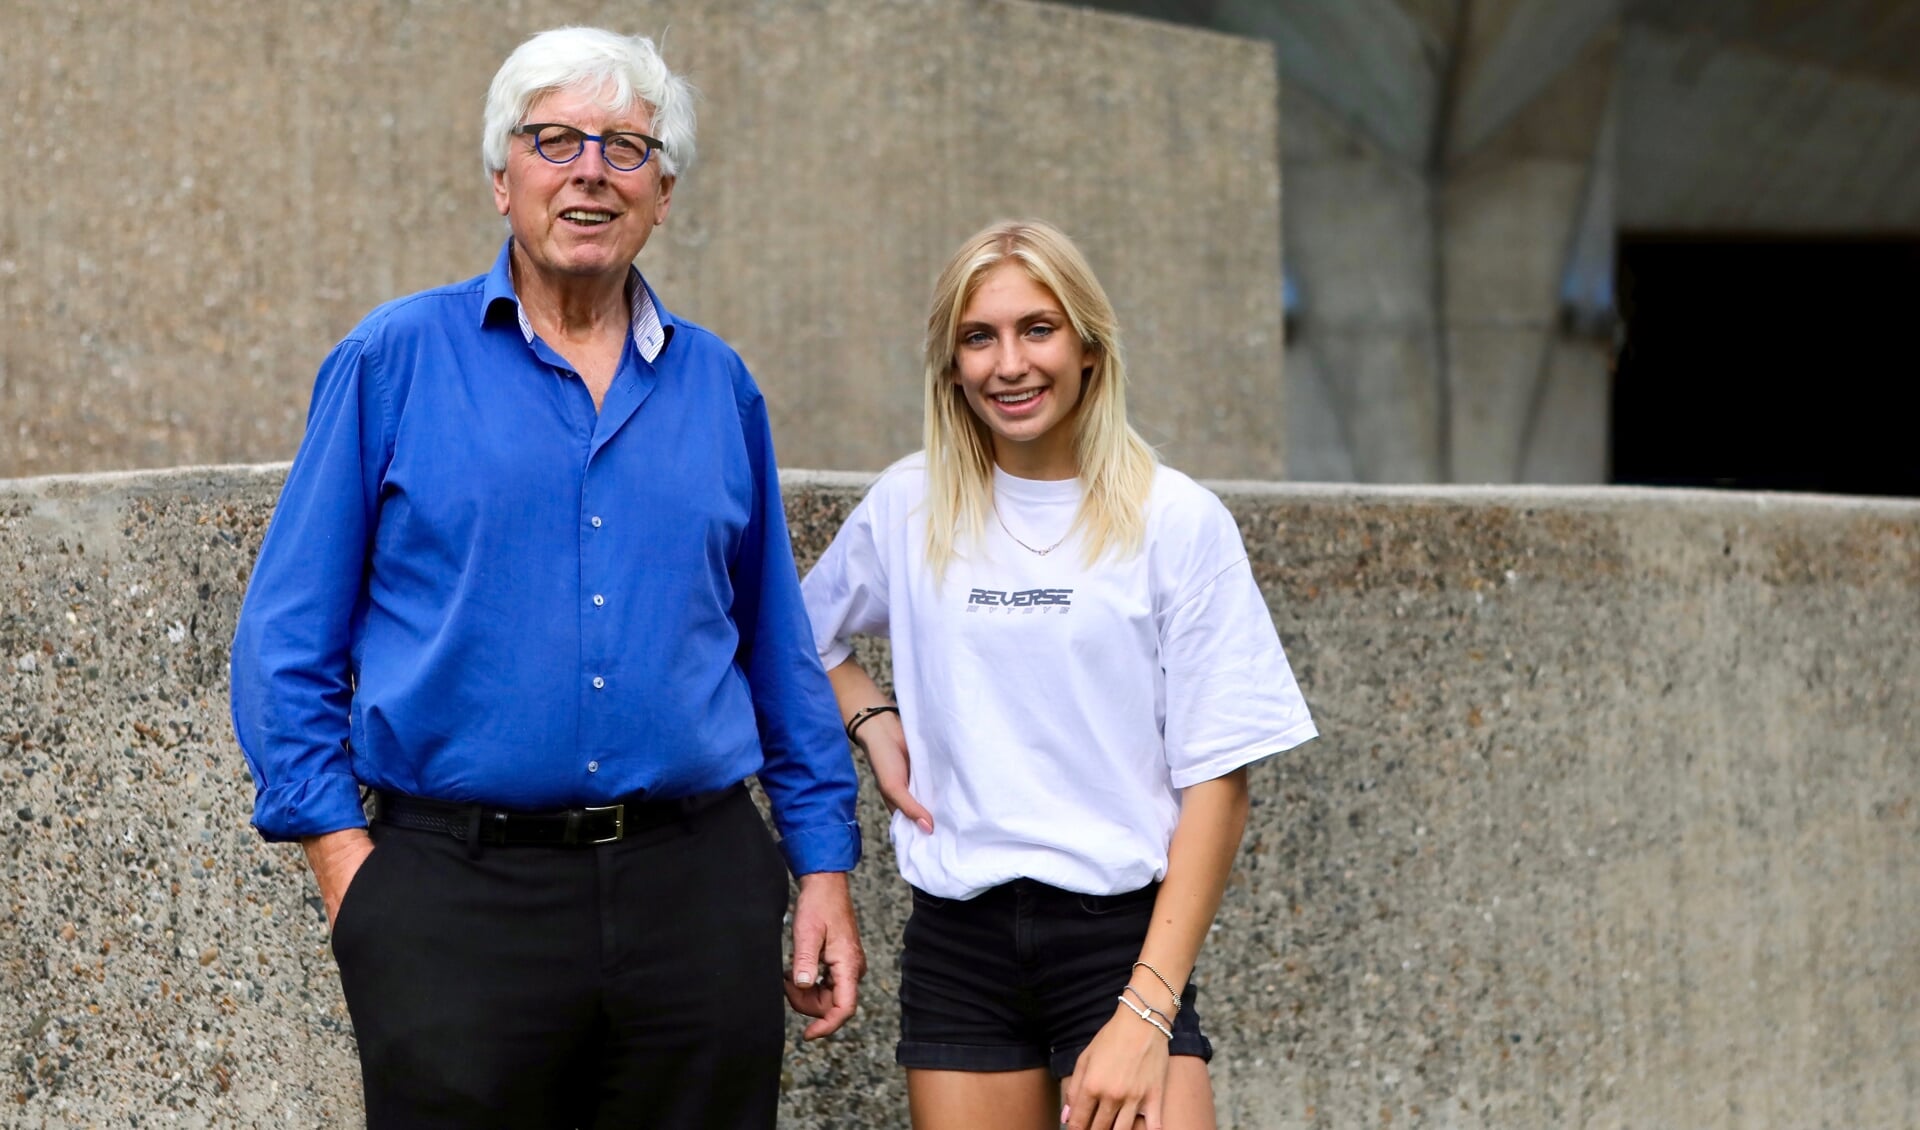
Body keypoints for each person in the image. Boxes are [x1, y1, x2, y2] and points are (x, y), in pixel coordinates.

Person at [229, 27, 863, 1130]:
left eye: (625, 147)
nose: (588, 171)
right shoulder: (394, 360)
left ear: (662, 192)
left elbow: (774, 644)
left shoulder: (721, 386)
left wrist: (822, 863)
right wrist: (348, 868)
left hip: (694, 890)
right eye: (554, 139)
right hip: (455, 899)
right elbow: (287, 637)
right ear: (501, 178)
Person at [801, 220, 1316, 1130]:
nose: (1010, 363)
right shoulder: (909, 506)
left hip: (1118, 940)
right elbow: (794, 636)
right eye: (979, 336)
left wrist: (1146, 1009)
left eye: (1037, 329)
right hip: (958, 940)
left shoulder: (1177, 520)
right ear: (951, 362)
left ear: (1088, 344)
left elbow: (1220, 787)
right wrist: (868, 716)